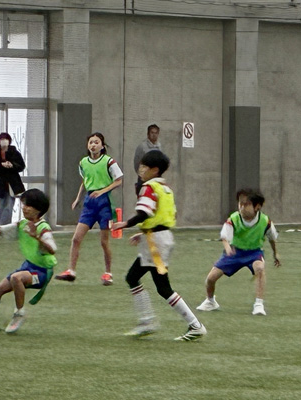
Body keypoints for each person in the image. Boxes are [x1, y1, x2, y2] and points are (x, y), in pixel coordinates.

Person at [112, 151, 206, 341]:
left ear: (155, 170)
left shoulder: (149, 187)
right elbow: (165, 217)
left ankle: (193, 325)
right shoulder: (166, 189)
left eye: (144, 166)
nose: (140, 170)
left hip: (155, 242)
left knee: (161, 287)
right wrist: (144, 233)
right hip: (159, 238)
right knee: (134, 277)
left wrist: (125, 224)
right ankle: (147, 321)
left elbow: (144, 213)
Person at [0, 188, 57, 334]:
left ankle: (19, 314)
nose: (24, 208)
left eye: (28, 205)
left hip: (42, 272)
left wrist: (36, 237)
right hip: (28, 266)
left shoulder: (43, 228)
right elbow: (1, 230)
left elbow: (52, 249)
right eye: (24, 204)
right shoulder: (22, 224)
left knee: (17, 278)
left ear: (38, 210)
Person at [196, 188, 281, 316]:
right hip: (235, 253)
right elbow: (225, 237)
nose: (242, 207)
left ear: (257, 206)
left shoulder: (265, 221)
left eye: (246, 204)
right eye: (240, 204)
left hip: (254, 253)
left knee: (259, 268)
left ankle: (259, 304)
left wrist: (275, 254)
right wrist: (228, 248)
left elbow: (272, 239)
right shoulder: (234, 218)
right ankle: (210, 301)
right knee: (210, 279)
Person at [54, 132, 123, 285]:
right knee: (76, 238)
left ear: (102, 146)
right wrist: (78, 198)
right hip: (89, 203)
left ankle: (108, 273)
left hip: (104, 204)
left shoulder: (109, 162)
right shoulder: (83, 163)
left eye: (96, 142)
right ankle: (71, 271)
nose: (93, 145)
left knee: (104, 241)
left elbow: (118, 180)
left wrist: (102, 191)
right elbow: (85, 181)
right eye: (91, 142)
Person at [0, 132, 25, 225]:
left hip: (12, 184)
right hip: (0, 185)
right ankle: (4, 226)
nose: (4, 141)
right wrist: (1, 165)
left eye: (6, 139)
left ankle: (5, 226)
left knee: (8, 207)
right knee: (2, 206)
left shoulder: (15, 153)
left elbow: (21, 166)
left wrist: (12, 165)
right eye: (2, 139)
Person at [133, 124, 161, 194]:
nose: (154, 135)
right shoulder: (142, 146)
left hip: (155, 177)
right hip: (144, 177)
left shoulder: (159, 146)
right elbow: (137, 162)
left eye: (156, 133)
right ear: (148, 134)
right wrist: (142, 174)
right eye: (152, 133)